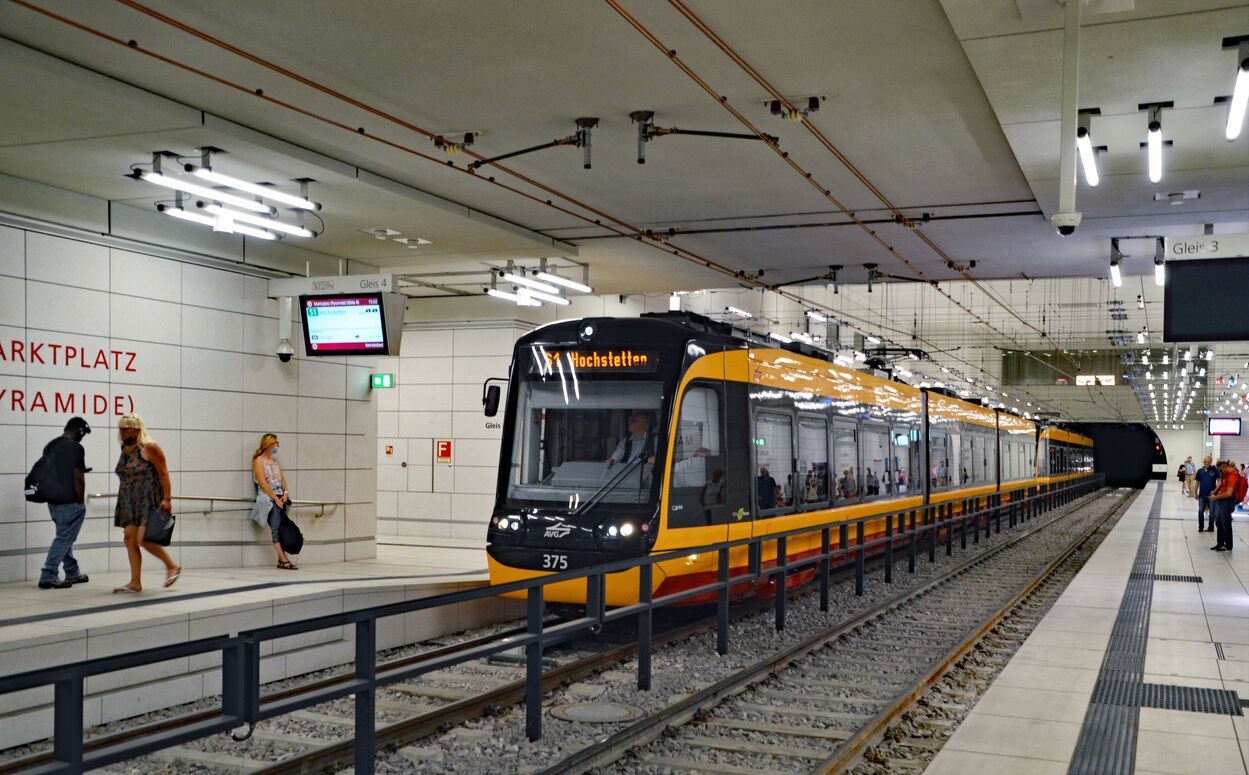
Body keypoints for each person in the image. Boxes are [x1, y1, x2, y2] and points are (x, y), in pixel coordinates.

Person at [113, 414, 180, 592]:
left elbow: (164, 473)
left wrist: (167, 499)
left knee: (144, 539)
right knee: (129, 539)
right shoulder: (125, 449)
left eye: (126, 428)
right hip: (129, 501)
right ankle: (135, 582)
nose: (122, 431)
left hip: (149, 500)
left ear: (136, 430)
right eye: (121, 428)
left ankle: (172, 565)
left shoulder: (150, 448)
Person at [36, 417, 92, 590]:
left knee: (64, 536)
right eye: (83, 434)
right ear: (79, 431)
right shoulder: (75, 447)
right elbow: (77, 476)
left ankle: (72, 572)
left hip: (53, 502)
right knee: (64, 538)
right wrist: (81, 502)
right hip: (69, 501)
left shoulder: (51, 445)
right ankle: (48, 574)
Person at [250, 433, 297, 570]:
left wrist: (285, 493)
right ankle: (284, 560)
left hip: (281, 497)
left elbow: (283, 480)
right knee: (275, 529)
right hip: (269, 499)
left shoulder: (275, 462)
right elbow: (263, 484)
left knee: (282, 528)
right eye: (276, 444)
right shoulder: (258, 462)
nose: (277, 446)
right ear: (270, 445)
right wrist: (276, 499)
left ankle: (280, 560)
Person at [1208, 460, 1237, 552]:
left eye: (1221, 470)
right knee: (1219, 523)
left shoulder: (1232, 476)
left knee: (1226, 524)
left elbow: (1229, 493)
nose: (1220, 472)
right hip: (1222, 501)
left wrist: (1215, 497)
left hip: (1227, 502)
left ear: (1225, 467)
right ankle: (1220, 544)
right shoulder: (1227, 475)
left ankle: (1228, 545)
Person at [1194, 456, 1218, 532]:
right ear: (1203, 462)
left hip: (1211, 496)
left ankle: (1211, 527)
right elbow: (1197, 483)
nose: (1207, 463)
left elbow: (1220, 482)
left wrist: (1214, 491)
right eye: (1206, 462)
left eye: (1209, 462)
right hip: (1202, 495)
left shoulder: (1214, 471)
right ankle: (1200, 527)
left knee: (1212, 512)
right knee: (1201, 511)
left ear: (1211, 462)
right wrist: (1195, 493)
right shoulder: (1200, 471)